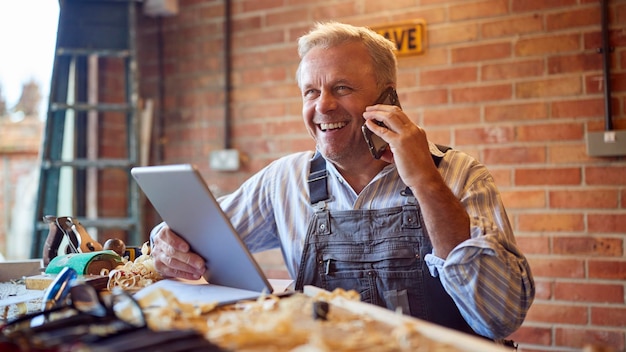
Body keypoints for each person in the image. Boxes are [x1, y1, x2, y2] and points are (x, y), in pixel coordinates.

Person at [150, 21, 535, 340]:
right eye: (311, 92)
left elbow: (498, 316)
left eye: (342, 88)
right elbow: (188, 237)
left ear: (389, 98)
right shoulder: (285, 180)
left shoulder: (461, 175)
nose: (323, 106)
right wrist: (165, 242)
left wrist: (426, 183)